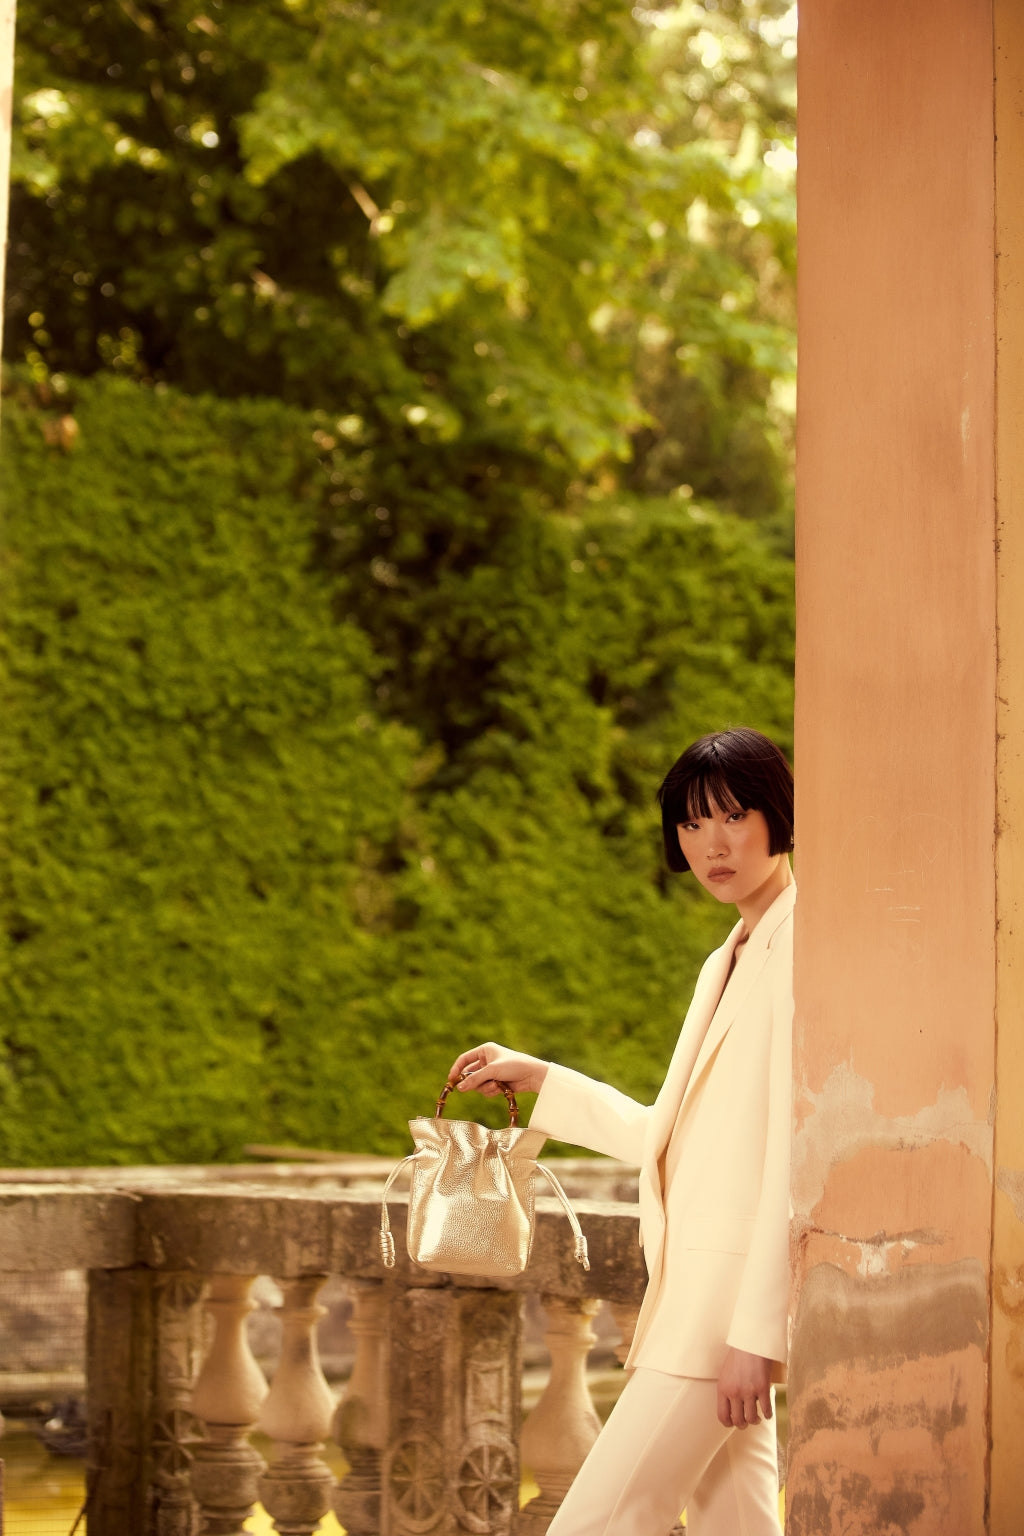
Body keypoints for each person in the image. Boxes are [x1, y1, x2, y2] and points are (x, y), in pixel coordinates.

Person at [448, 726, 795, 1536]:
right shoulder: (730, 957)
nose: (713, 843)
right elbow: (667, 1136)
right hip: (689, 1301)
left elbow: (795, 1156)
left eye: (734, 816)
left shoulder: (805, 946)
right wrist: (543, 1080)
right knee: (737, 1527)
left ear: (778, 816)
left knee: (598, 1522)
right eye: (691, 823)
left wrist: (757, 1334)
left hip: (720, 1319)